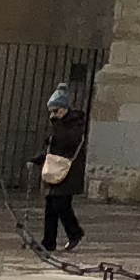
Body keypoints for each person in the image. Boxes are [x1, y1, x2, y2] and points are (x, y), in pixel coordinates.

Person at [35, 85, 88, 255]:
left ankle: (75, 233)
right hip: (55, 168)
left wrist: (57, 124)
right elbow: (52, 146)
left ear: (64, 109)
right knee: (51, 206)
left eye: (56, 110)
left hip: (68, 170)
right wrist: (38, 159)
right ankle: (48, 241)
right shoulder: (57, 124)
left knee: (61, 204)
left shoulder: (75, 123)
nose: (53, 114)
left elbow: (66, 141)